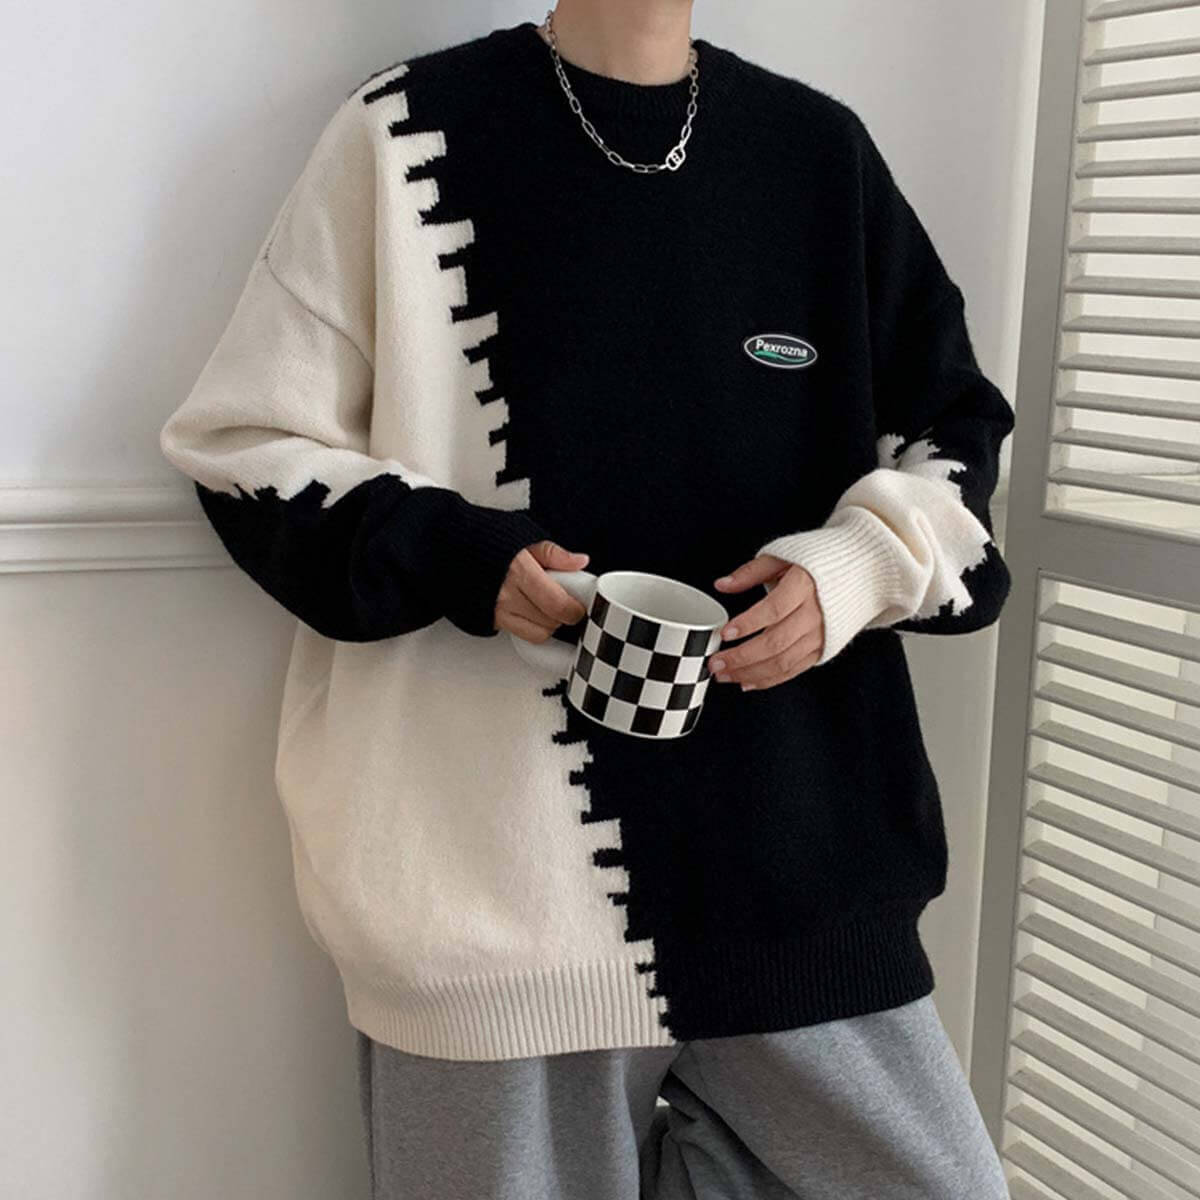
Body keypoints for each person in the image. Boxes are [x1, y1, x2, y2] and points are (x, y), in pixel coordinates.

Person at [159, 2, 1016, 1196]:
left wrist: (857, 569)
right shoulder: (402, 135)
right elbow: (243, 451)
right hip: (492, 893)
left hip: (799, 871)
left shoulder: (818, 155)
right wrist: (465, 559)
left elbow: (952, 438)